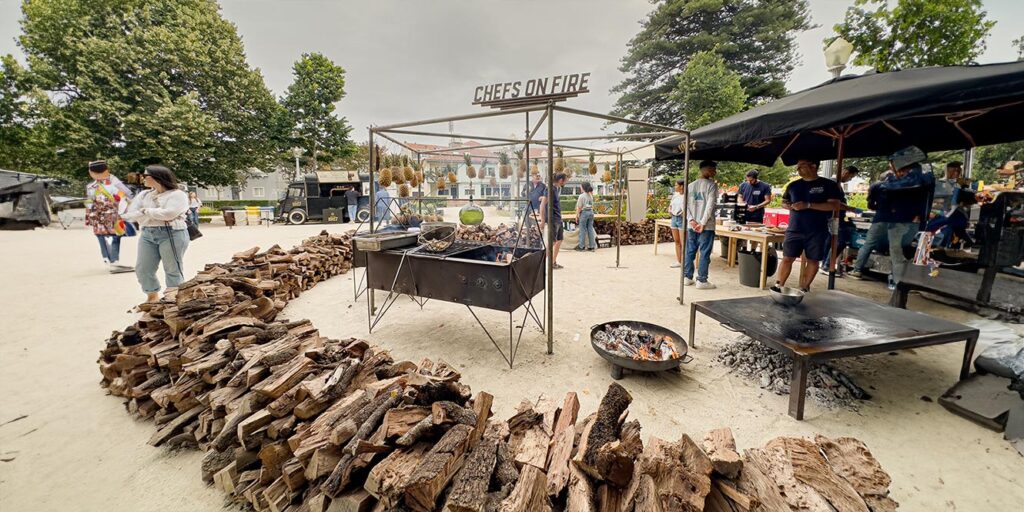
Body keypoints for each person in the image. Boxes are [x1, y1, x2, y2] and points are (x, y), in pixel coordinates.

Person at [848, 146, 932, 285]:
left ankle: (858, 270)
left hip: (887, 219)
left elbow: (871, 205)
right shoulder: (918, 177)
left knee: (871, 245)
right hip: (905, 221)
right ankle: (896, 280)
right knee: (896, 250)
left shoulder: (906, 180)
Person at [121, 165, 190, 303]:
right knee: (143, 268)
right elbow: (130, 214)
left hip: (172, 233)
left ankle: (173, 298)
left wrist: (146, 211)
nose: (142, 178)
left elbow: (169, 213)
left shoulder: (177, 194)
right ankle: (152, 296)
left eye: (145, 176)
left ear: (157, 178)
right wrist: (153, 213)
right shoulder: (144, 194)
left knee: (172, 269)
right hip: (147, 234)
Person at [775, 159, 843, 291]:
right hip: (794, 228)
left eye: (801, 166)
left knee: (813, 259)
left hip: (817, 230)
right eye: (797, 167)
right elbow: (784, 201)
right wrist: (787, 206)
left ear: (813, 166)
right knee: (787, 257)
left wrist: (808, 205)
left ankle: (804, 287)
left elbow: (835, 205)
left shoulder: (828, 185)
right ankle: (779, 285)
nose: (798, 169)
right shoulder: (793, 185)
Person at [84, 160, 134, 273]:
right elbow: (128, 195)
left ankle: (108, 260)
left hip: (99, 215)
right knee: (115, 236)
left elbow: (89, 201)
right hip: (114, 214)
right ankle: (114, 261)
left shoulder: (92, 186)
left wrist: (88, 215)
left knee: (104, 236)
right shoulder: (115, 183)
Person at [819, 165, 862, 276]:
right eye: (851, 177)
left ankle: (825, 265)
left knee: (830, 241)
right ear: (845, 172)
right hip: (834, 217)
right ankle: (827, 265)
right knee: (841, 241)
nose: (850, 179)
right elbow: (835, 203)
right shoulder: (833, 184)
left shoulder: (835, 183)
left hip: (832, 217)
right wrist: (851, 208)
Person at [683, 161, 719, 289]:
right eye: (712, 169)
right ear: (705, 169)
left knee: (690, 251)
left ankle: (687, 277)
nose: (714, 172)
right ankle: (702, 280)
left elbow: (685, 205)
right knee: (704, 253)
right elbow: (710, 206)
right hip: (706, 226)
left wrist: (691, 220)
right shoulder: (712, 185)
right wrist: (702, 223)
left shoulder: (690, 185)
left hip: (692, 225)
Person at [550, 173, 567, 269]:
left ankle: (553, 262)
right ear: (561, 180)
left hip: (558, 218)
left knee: (559, 240)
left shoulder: (556, 189)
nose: (566, 181)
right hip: (553, 219)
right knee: (552, 242)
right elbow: (544, 202)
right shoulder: (551, 189)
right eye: (566, 180)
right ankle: (541, 262)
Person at [668, 179, 686, 268]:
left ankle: (685, 262)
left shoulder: (686, 196)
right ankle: (679, 261)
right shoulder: (675, 195)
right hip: (674, 218)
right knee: (677, 241)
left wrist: (684, 214)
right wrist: (670, 209)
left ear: (681, 186)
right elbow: (670, 204)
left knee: (683, 242)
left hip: (682, 219)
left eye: (676, 185)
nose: (675, 187)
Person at [574, 181, 597, 251]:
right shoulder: (590, 195)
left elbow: (579, 207)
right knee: (590, 228)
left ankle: (581, 246)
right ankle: (591, 246)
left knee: (582, 229)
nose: (580, 188)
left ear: (583, 187)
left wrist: (576, 216)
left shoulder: (581, 196)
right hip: (591, 212)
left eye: (581, 186)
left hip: (584, 213)